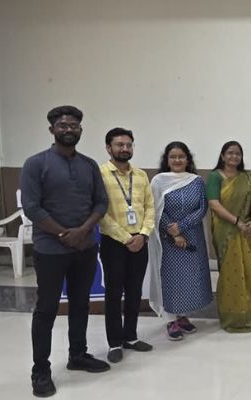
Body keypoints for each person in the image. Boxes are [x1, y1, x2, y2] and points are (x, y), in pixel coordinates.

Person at [21, 105, 110, 397]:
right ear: (52, 130)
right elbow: (32, 207)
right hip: (50, 249)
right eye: (63, 125)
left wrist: (82, 231)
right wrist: (62, 233)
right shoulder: (36, 164)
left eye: (74, 126)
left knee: (81, 303)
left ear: (80, 130)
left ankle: (78, 355)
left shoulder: (89, 165)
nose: (69, 130)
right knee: (46, 309)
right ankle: (40, 370)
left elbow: (101, 202)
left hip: (85, 246)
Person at [98, 128, 155, 363]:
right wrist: (126, 238)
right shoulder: (99, 174)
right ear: (108, 148)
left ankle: (130, 336)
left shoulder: (141, 175)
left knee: (134, 290)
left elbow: (150, 207)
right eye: (119, 144)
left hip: (140, 240)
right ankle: (114, 342)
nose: (125, 148)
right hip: (114, 242)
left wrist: (143, 234)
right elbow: (99, 212)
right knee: (114, 293)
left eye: (128, 145)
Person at [148, 142, 213, 341]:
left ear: (188, 159)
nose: (177, 160)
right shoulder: (159, 181)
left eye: (181, 156)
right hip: (168, 239)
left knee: (190, 278)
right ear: (167, 160)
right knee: (172, 278)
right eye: (173, 157)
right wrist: (174, 232)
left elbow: (202, 207)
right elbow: (156, 209)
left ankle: (183, 316)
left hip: (193, 235)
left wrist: (182, 226)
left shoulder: (196, 181)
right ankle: (171, 320)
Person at [206, 141, 251, 333]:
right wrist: (236, 222)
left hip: (246, 231)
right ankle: (232, 315)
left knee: (247, 270)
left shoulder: (247, 178)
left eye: (237, 154)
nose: (234, 156)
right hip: (225, 231)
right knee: (230, 272)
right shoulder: (215, 177)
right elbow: (214, 204)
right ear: (222, 155)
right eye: (230, 153)